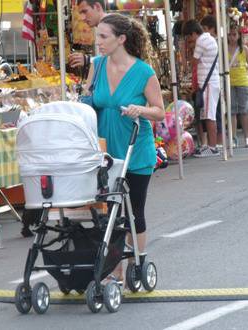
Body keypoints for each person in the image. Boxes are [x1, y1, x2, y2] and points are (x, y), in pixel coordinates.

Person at [85, 13, 165, 280]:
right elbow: (88, 99)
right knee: (109, 214)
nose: (98, 42)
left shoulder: (143, 71)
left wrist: (140, 109)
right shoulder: (96, 66)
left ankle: (137, 263)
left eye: (103, 36)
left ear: (121, 39)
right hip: (105, 151)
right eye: (97, 36)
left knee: (134, 211)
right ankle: (114, 269)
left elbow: (159, 112)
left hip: (135, 150)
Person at [183, 19, 220, 157]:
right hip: (210, 82)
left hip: (208, 83)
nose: (189, 39)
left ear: (193, 33)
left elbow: (194, 62)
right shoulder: (208, 39)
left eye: (188, 36)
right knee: (208, 115)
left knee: (210, 116)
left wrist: (185, 49)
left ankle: (212, 147)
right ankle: (211, 146)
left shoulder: (201, 42)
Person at [200, 15, 223, 148]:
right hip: (214, 80)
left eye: (204, 28)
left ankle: (216, 143)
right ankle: (214, 142)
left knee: (214, 114)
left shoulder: (213, 42)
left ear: (212, 29)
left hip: (214, 80)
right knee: (214, 113)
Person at [68, 0, 106, 70]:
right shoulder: (101, 28)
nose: (82, 18)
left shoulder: (113, 27)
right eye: (80, 13)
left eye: (85, 11)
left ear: (97, 7)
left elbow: (116, 62)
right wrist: (88, 59)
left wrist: (87, 60)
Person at [228, 27, 248, 148]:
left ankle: (246, 137)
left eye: (234, 34)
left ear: (239, 36)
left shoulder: (244, 49)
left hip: (242, 82)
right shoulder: (224, 49)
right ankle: (233, 138)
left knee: (244, 111)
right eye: (229, 35)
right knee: (232, 112)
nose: (232, 37)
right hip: (229, 82)